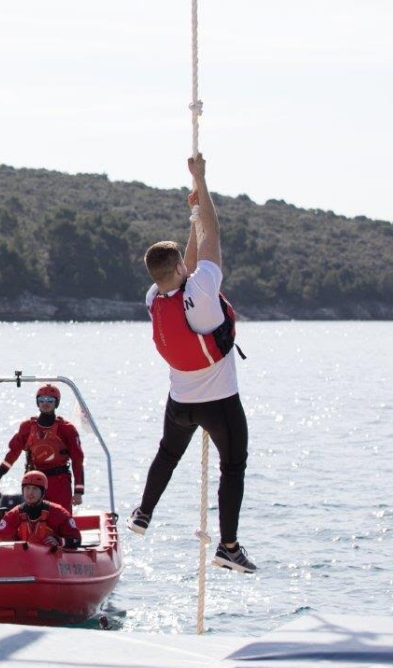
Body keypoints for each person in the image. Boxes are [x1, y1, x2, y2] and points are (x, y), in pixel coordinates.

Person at [130, 153, 255, 574]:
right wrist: (201, 184)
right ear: (181, 269)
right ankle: (229, 546)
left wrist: (191, 222)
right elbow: (214, 240)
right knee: (233, 465)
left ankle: (143, 513)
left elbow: (185, 263)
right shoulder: (202, 289)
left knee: (167, 453)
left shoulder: (154, 298)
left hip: (180, 402)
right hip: (218, 401)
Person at [0, 385, 84, 512]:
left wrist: (78, 491)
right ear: (37, 402)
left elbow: (77, 460)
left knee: (62, 516)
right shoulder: (26, 427)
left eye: (50, 400)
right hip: (34, 481)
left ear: (56, 403)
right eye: (42, 400)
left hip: (59, 481)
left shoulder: (67, 429)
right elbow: (13, 453)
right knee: (33, 517)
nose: (45, 403)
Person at [0, 471, 81, 548]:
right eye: (27, 488)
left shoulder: (59, 513)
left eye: (35, 489)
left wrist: (59, 541)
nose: (30, 493)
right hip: (24, 561)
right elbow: (1, 538)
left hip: (50, 562)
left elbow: (76, 540)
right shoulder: (13, 515)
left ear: (43, 492)